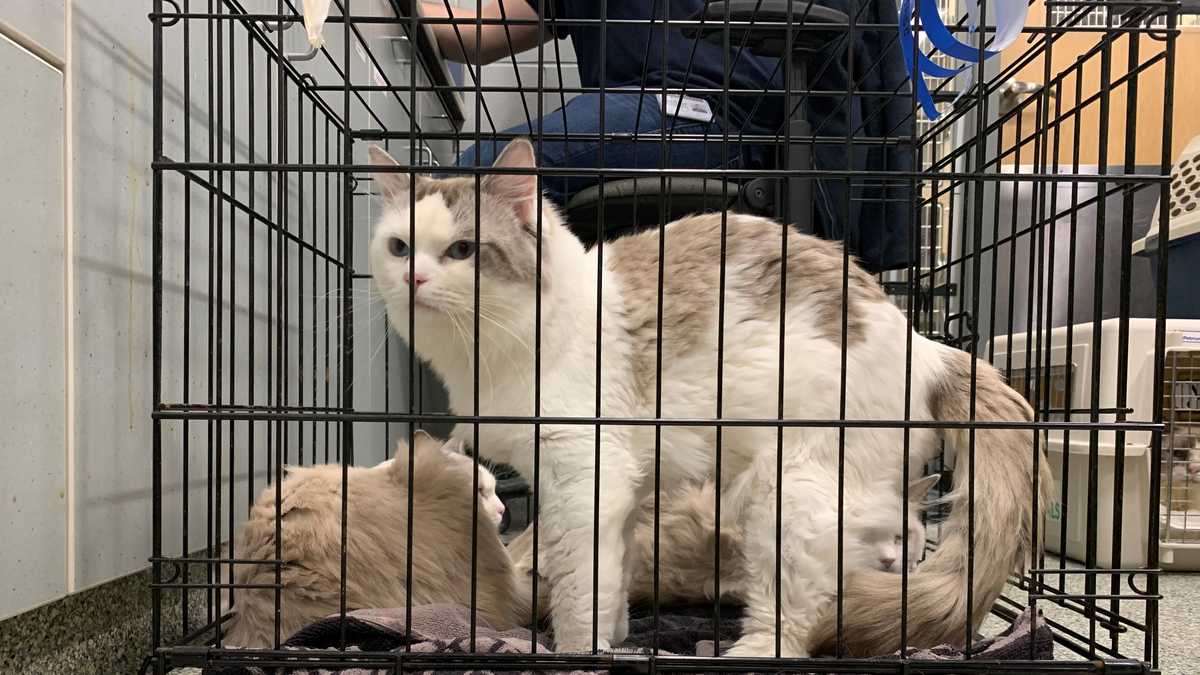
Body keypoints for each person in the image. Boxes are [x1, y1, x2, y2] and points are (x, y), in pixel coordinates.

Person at [420, 0, 783, 207]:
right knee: (465, 184)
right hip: (640, 113)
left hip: (713, 118)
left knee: (467, 184)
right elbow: (477, 35)